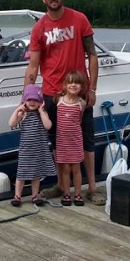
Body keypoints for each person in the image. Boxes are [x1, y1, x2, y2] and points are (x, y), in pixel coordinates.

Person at [24, 0, 103, 204]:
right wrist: (27, 96)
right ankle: (61, 185)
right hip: (51, 94)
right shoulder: (39, 28)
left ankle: (91, 188)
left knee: (86, 141)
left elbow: (93, 55)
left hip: (79, 93)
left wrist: (93, 88)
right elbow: (33, 66)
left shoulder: (79, 19)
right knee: (58, 142)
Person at [8, 84, 56, 206]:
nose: (32, 102)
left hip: (39, 150)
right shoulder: (23, 114)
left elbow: (48, 126)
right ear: (25, 101)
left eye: (36, 100)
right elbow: (11, 123)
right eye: (29, 99)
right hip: (26, 150)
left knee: (36, 175)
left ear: (40, 101)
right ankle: (17, 196)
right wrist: (18, 109)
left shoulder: (42, 114)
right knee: (21, 174)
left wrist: (41, 111)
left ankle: (35, 195)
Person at [54, 71, 86, 206]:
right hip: (62, 141)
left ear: (81, 86)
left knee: (76, 169)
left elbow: (79, 120)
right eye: (70, 82)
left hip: (75, 140)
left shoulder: (81, 103)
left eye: (77, 83)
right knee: (65, 169)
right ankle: (67, 193)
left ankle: (77, 194)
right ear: (65, 85)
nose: (73, 85)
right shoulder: (59, 100)